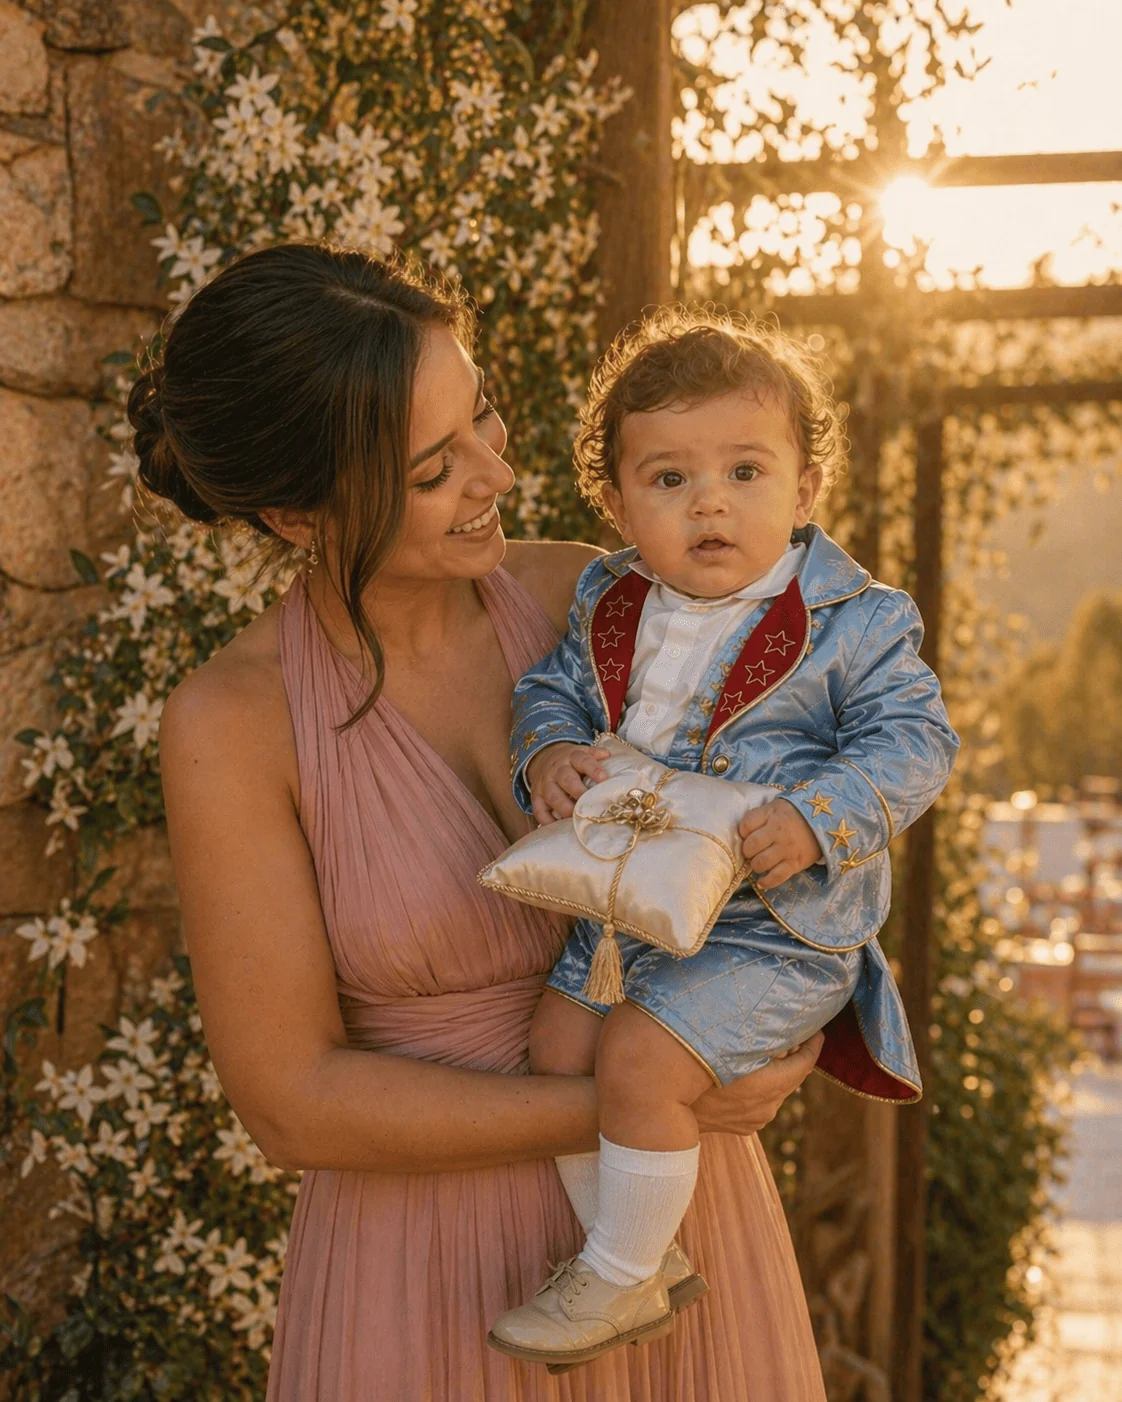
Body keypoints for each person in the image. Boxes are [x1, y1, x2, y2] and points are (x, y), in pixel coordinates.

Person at [141, 243, 830, 1401]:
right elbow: (291, 1097)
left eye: (485, 419)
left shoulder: (596, 602)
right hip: (424, 1274)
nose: (495, 475)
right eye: (431, 469)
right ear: (296, 511)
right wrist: (650, 1097)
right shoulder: (233, 723)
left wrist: (797, 1010)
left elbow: (794, 787)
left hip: (684, 1226)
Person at [488, 309, 959, 1370]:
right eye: (667, 480)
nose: (709, 500)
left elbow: (918, 738)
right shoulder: (612, 600)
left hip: (769, 928)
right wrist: (549, 752)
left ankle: (610, 1276)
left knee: (643, 1055)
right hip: (628, 902)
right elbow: (548, 690)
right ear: (614, 502)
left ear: (805, 486)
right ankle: (635, 1251)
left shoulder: (854, 620)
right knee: (557, 1054)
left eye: (747, 470)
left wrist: (815, 816)